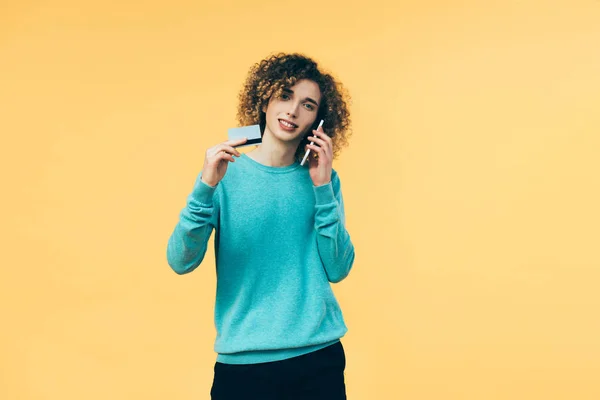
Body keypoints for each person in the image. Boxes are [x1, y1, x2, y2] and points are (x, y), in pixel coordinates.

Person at [166, 52, 355, 399]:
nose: (293, 110)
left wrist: (323, 187)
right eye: (285, 95)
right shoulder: (224, 172)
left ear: (319, 121)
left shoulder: (324, 181)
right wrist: (205, 187)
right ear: (264, 100)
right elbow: (180, 260)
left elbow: (338, 268)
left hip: (318, 359)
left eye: (308, 104)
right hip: (243, 367)